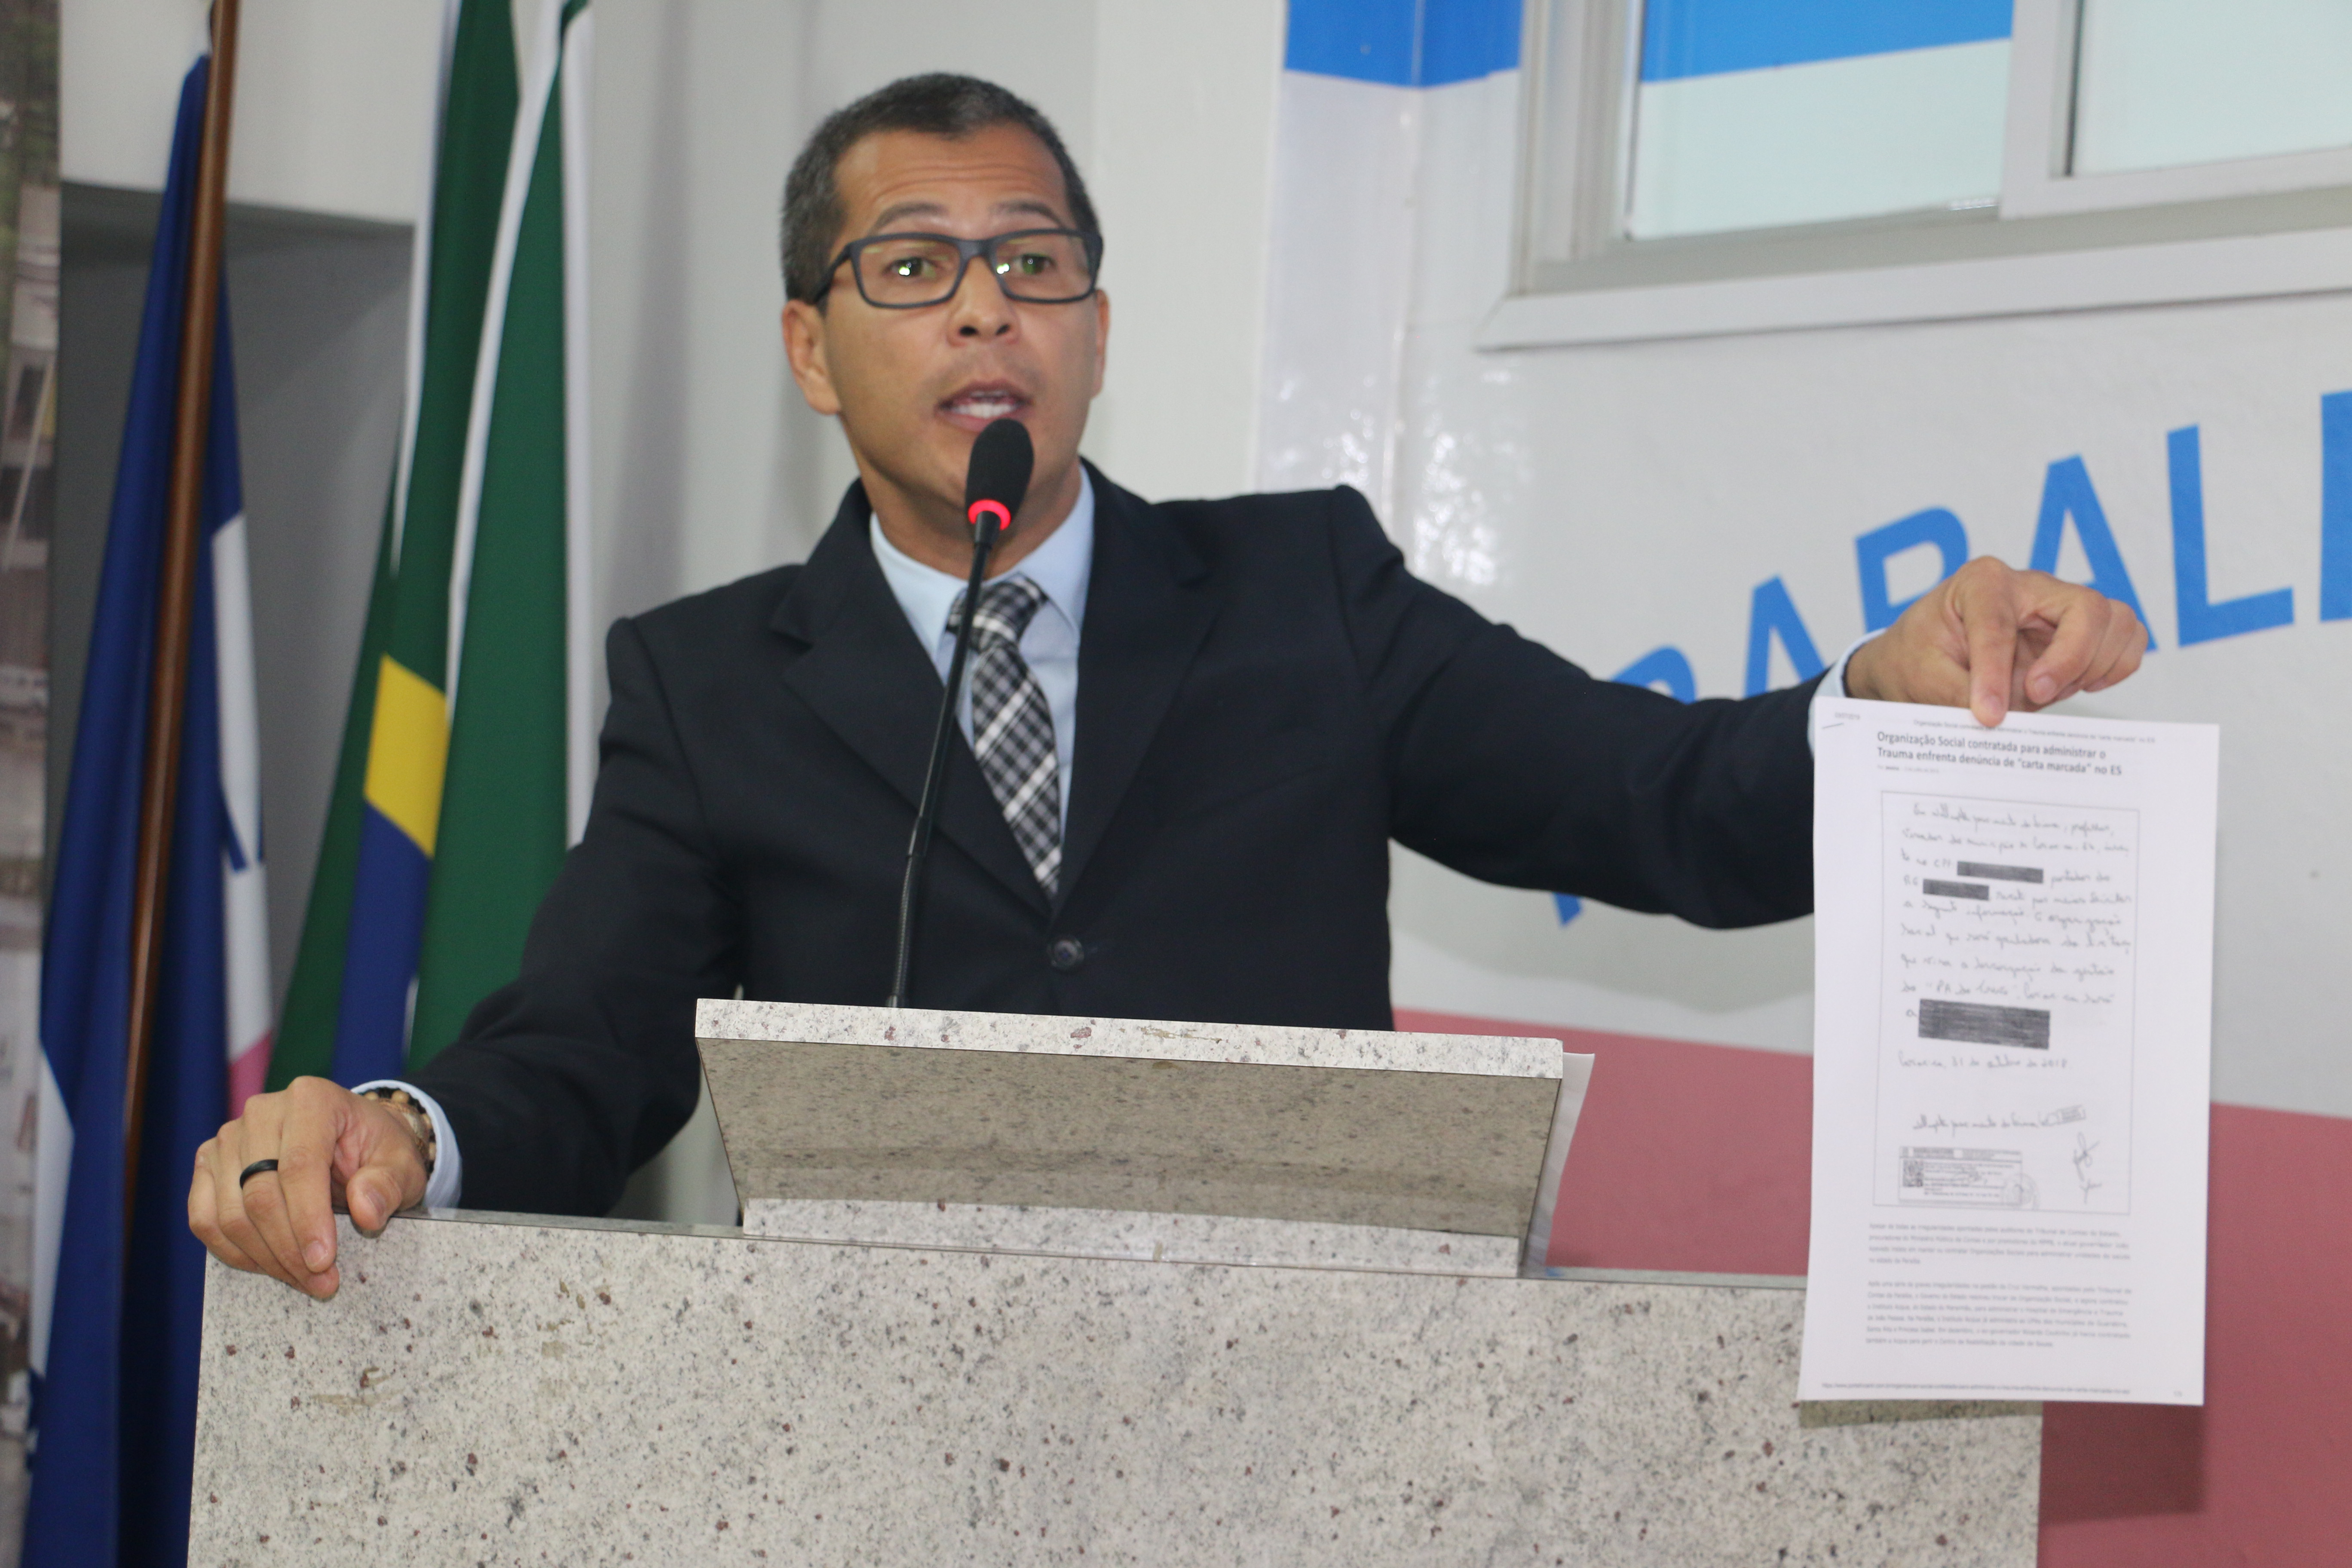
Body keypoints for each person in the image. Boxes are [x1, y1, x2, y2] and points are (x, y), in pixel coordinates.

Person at [189, 74, 2145, 1300]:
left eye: (1034, 264)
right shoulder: (709, 684)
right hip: (872, 1416)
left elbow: (1661, 803)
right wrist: (399, 1129)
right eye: (913, 268)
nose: (986, 306)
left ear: (1099, 330)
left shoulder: (1307, 596)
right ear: (807, 347)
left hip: (1307, 1404)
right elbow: (585, 1046)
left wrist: (1885, 699)